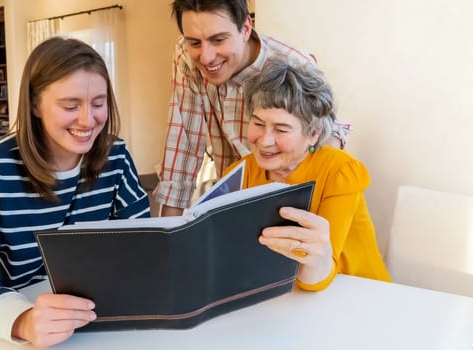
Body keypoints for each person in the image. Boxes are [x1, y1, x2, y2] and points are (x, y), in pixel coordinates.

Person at [0, 37, 151, 347]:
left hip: (88, 315)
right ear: (35, 104)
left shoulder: (115, 156)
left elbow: (143, 246)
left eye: (98, 103)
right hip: (7, 316)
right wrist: (23, 321)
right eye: (70, 106)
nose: (88, 120)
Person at [155, 0, 351, 217]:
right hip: (234, 198)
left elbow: (328, 135)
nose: (206, 57)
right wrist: (168, 241)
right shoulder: (185, 56)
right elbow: (183, 144)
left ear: (246, 28)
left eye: (218, 40)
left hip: (291, 204)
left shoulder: (292, 64)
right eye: (194, 43)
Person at [223, 58, 390, 290]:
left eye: (281, 129)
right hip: (284, 299)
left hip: (362, 293)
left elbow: (316, 277)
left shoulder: (338, 170)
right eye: (258, 123)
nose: (265, 140)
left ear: (313, 134)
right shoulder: (240, 174)